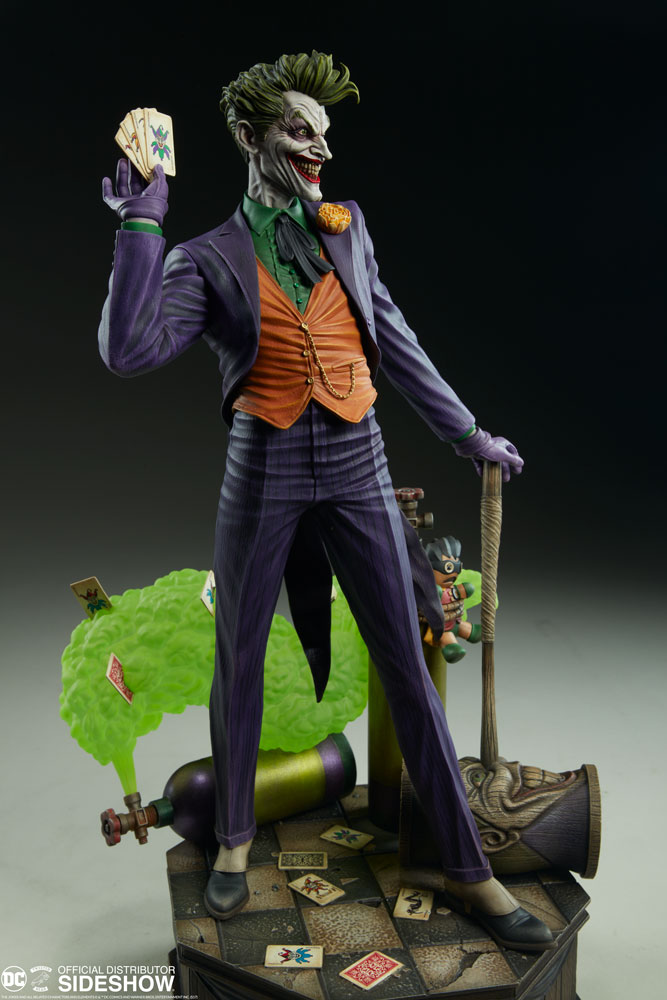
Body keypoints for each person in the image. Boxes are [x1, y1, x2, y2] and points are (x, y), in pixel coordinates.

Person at [99, 51, 553, 952]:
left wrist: (466, 434)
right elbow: (129, 350)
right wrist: (140, 225)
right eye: (298, 131)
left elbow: (395, 335)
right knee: (238, 661)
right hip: (260, 467)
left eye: (324, 133)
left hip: (357, 461)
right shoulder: (206, 257)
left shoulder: (348, 229)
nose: (319, 149)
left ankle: (467, 867)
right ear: (247, 137)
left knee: (408, 666)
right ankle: (234, 839)